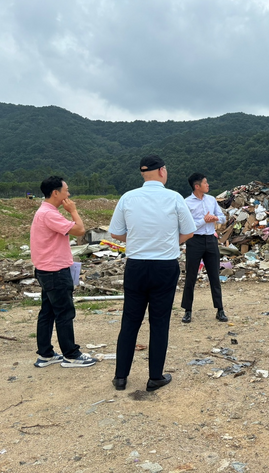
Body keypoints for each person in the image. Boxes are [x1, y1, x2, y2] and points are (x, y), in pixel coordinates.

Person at [108, 155, 196, 392]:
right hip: (164, 266)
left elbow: (116, 233)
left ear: (142, 173)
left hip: (136, 265)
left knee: (130, 321)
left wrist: (139, 238)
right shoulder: (174, 198)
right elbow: (188, 232)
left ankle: (120, 377)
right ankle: (154, 376)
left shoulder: (128, 197)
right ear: (162, 171)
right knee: (159, 322)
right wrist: (165, 240)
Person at [30, 176, 97, 368]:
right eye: (66, 190)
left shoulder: (45, 212)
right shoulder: (49, 214)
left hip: (46, 270)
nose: (69, 194)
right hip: (55, 271)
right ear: (55, 193)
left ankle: (46, 354)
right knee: (64, 313)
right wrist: (73, 211)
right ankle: (71, 355)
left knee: (48, 312)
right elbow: (79, 230)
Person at [181, 172, 228, 323]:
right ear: (197, 186)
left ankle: (220, 310)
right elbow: (188, 226)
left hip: (211, 240)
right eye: (205, 183)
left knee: (214, 275)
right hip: (194, 241)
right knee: (191, 276)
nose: (208, 185)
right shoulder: (186, 203)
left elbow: (222, 217)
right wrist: (204, 220)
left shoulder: (212, 200)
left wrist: (214, 218)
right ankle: (187, 311)